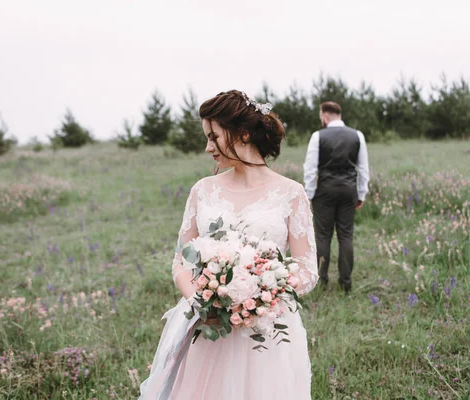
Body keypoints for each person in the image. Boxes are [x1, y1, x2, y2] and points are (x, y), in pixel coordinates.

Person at [140, 90, 318, 399]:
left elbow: (307, 269)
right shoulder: (202, 191)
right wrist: (201, 300)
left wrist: (263, 293)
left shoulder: (292, 193)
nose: (208, 147)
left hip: (266, 330)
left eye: (214, 136)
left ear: (244, 133)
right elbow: (180, 261)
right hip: (208, 326)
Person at [303, 101, 370, 293]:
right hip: (349, 190)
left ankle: (321, 280)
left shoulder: (318, 136)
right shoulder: (357, 135)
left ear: (324, 116)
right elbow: (364, 168)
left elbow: (310, 168)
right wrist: (361, 193)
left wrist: (310, 194)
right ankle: (345, 282)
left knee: (322, 236)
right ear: (338, 115)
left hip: (324, 190)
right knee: (346, 236)